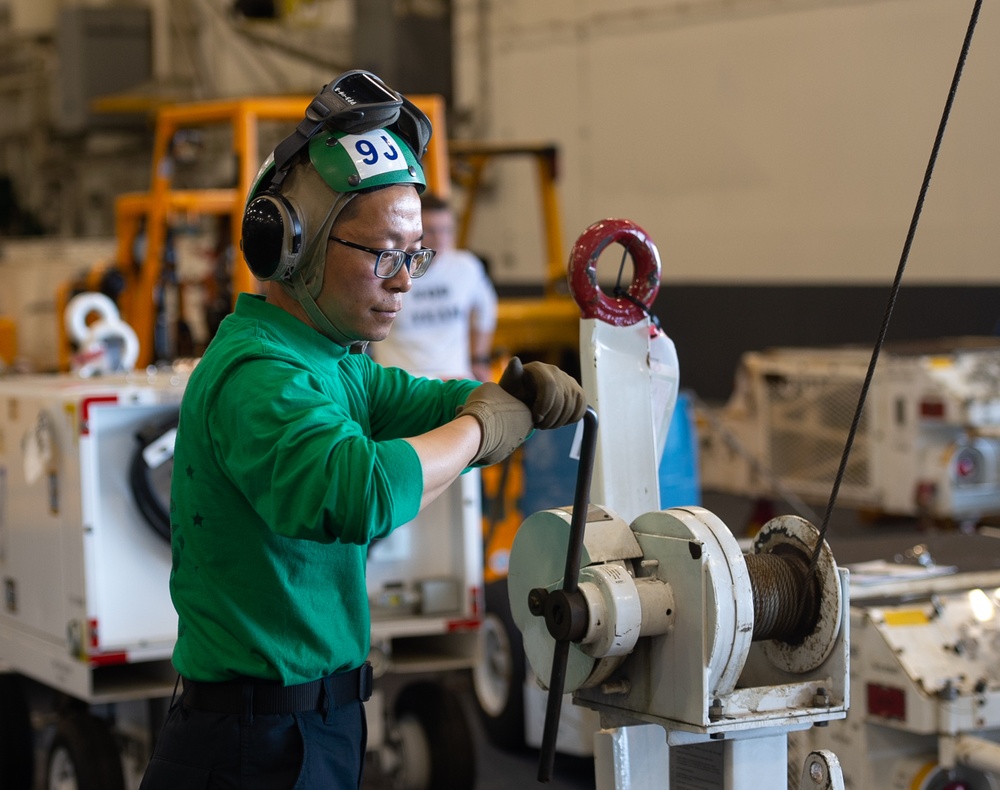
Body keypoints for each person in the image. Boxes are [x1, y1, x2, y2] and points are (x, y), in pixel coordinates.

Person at [138, 70, 586, 790]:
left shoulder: (332, 361)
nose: (406, 280)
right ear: (294, 245)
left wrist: (503, 394)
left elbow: (420, 403)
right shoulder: (262, 375)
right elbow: (358, 492)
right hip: (252, 748)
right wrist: (481, 430)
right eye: (385, 255)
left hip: (309, 725)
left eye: (415, 256)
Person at [370, 192, 498, 381]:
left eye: (446, 230)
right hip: (403, 383)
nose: (440, 239)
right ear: (412, 231)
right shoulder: (387, 269)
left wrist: (479, 359)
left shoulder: (466, 267)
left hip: (455, 379)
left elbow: (485, 310)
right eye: (430, 231)